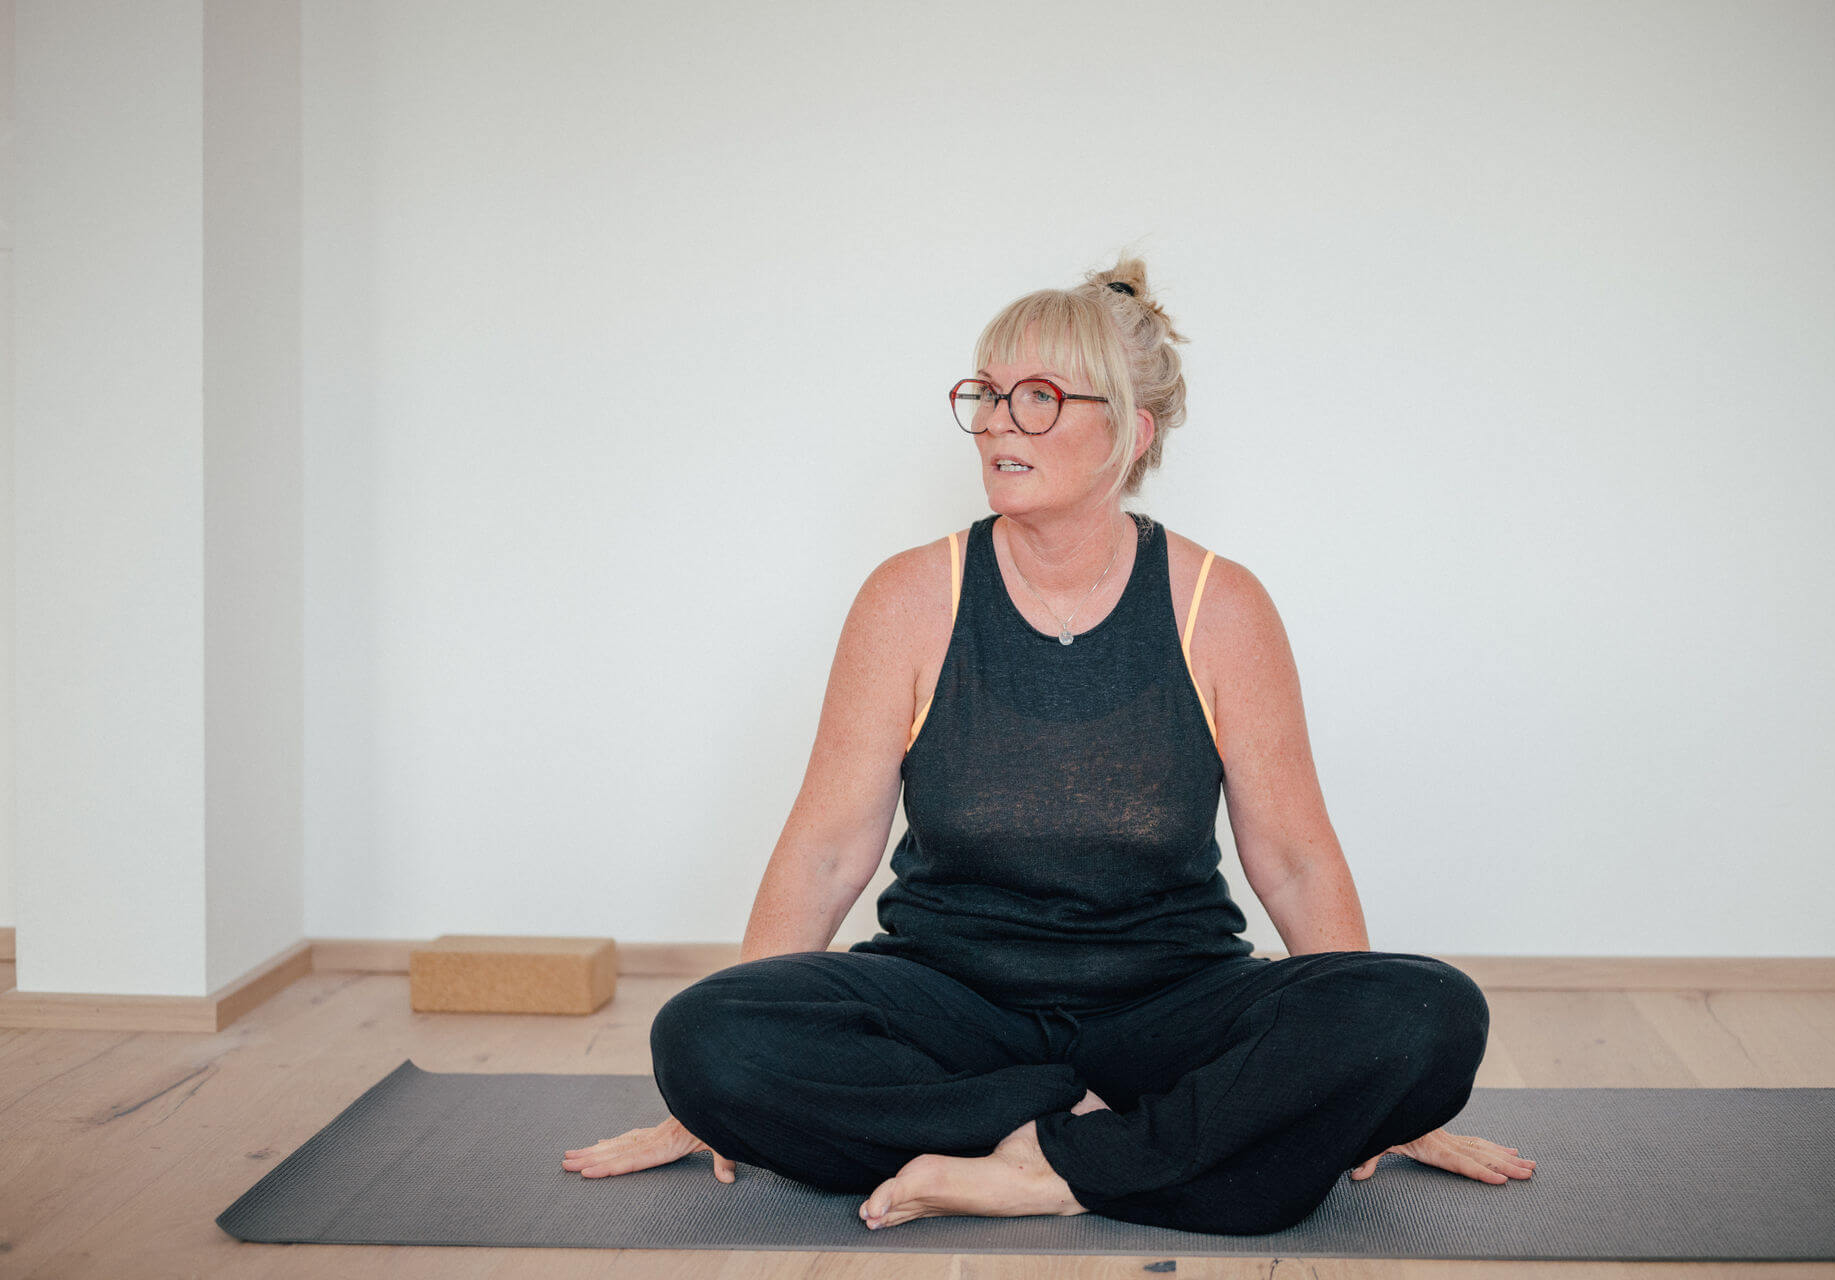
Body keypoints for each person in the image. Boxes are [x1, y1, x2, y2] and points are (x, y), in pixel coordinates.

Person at [561, 258, 1534, 1235]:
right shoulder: (909, 598)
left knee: (1427, 1013)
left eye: (1037, 397)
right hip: (951, 1010)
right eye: (987, 394)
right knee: (704, 1036)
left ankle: (1048, 1167)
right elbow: (825, 852)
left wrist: (1368, 1077)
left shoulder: (1221, 606)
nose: (996, 423)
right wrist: (709, 1098)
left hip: (1172, 1007)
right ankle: (1114, 1141)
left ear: (1131, 432)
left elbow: (1293, 857)